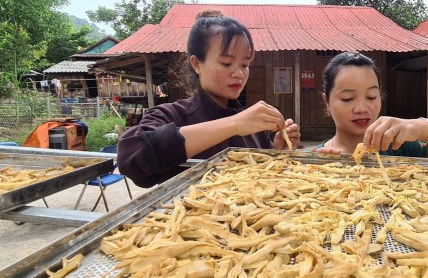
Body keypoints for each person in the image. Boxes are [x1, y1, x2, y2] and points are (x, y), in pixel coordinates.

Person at [118, 10, 301, 187]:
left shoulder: (254, 126)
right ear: (197, 64)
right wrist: (234, 124)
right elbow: (132, 159)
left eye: (245, 64)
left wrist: (276, 151)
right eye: (226, 63)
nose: (239, 73)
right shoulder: (170, 115)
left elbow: (262, 181)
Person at [316, 52, 428, 160]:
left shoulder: (398, 148)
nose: (362, 108)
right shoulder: (314, 157)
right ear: (327, 102)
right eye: (348, 98)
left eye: (372, 96)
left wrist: (419, 127)